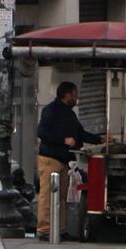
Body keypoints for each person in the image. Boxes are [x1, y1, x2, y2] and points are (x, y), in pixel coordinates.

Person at [35, 80, 102, 239]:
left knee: (62, 196)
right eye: (75, 94)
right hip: (50, 159)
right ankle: (44, 229)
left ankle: (61, 230)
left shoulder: (70, 114)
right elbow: (41, 132)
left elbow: (80, 134)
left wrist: (101, 139)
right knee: (47, 195)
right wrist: (63, 140)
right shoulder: (50, 110)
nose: (77, 98)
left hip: (64, 161)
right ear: (67, 95)